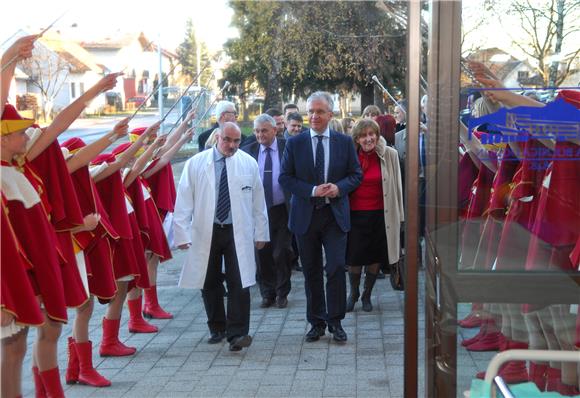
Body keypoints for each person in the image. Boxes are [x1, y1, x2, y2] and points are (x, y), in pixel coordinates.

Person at [174, 122, 269, 351]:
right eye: (227, 140)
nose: (232, 145)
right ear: (218, 137)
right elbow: (184, 200)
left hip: (238, 230)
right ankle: (217, 327)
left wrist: (261, 232)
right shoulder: (196, 164)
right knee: (210, 280)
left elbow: (258, 201)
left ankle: (238, 334)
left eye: (236, 141)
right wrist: (182, 233)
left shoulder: (248, 163)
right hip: (207, 229)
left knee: (240, 280)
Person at [279, 91, 362, 343]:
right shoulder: (295, 143)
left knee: (336, 267)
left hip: (334, 215)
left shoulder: (344, 142)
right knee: (311, 270)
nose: (314, 116)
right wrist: (312, 191)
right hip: (306, 216)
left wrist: (340, 188)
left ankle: (335, 321)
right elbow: (285, 178)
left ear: (330, 114)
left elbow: (355, 174)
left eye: (319, 112)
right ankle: (316, 322)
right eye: (311, 112)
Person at [345, 119, 404, 312]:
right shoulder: (350, 156)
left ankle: (367, 295)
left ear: (377, 135)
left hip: (381, 214)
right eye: (363, 135)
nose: (368, 138)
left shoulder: (390, 154)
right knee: (354, 257)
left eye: (372, 134)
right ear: (357, 139)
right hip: (355, 215)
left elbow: (397, 187)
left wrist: (400, 217)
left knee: (374, 257)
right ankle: (353, 293)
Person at [242, 114, 293, 309]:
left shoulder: (286, 147)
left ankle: (282, 292)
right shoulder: (248, 152)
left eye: (264, 130)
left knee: (281, 252)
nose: (260, 134)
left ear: (275, 130)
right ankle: (267, 293)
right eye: (256, 131)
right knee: (262, 253)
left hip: (282, 209)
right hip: (257, 210)